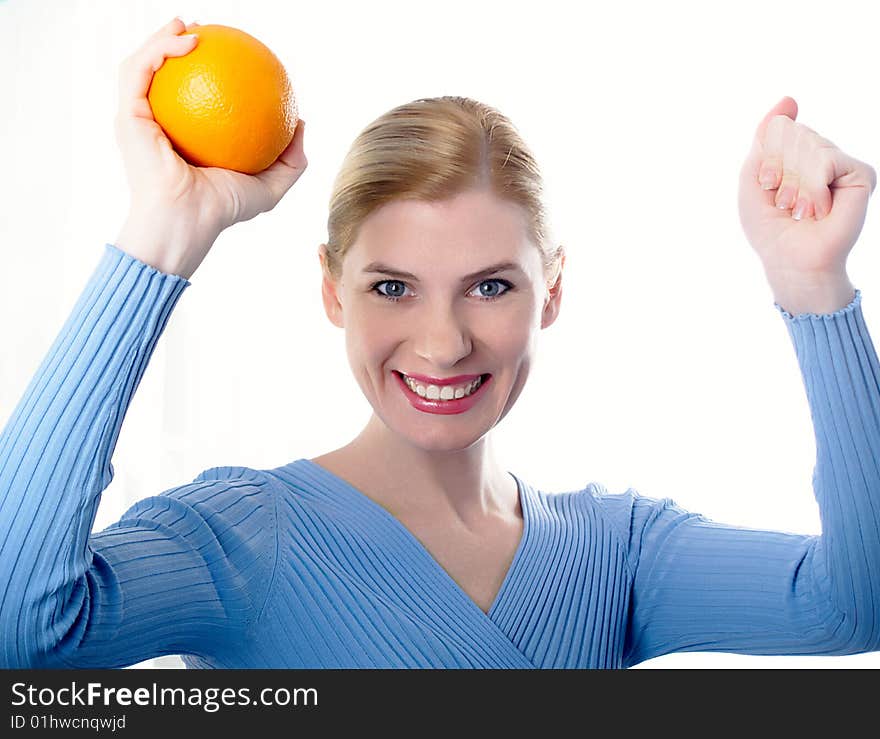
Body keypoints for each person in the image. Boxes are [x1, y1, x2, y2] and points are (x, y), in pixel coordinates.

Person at [0, 17, 878, 670]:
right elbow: (21, 627)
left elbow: (855, 603)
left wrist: (814, 289)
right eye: (393, 287)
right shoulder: (244, 539)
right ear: (329, 290)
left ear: (554, 291)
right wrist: (163, 235)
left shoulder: (621, 550)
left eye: (491, 286)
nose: (443, 342)